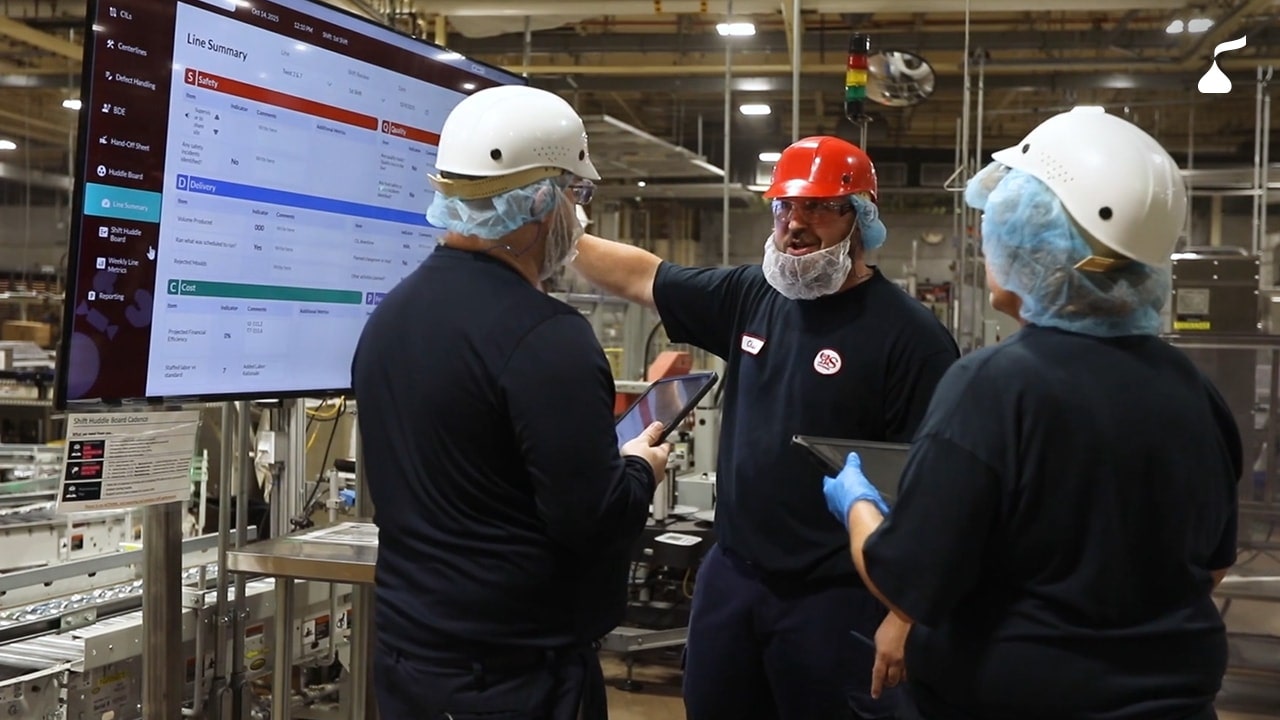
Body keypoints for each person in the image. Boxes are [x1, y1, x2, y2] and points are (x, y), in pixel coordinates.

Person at [822, 109, 1242, 720]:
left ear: (1031, 240)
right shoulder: (1192, 390)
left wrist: (857, 503)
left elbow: (908, 583)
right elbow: (1214, 565)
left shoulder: (992, 388)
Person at [571, 135, 960, 719]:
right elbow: (643, 277)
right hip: (733, 579)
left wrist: (905, 616)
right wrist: (552, 229)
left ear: (860, 219)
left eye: (820, 208)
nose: (796, 224)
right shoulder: (754, 294)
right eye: (786, 206)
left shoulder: (911, 338)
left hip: (839, 597)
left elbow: (937, 498)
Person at [351, 84, 672, 720]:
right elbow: (593, 519)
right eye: (576, 197)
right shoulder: (548, 337)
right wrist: (640, 467)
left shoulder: (391, 316)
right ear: (539, 202)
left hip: (409, 660)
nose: (578, 221)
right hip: (516, 677)